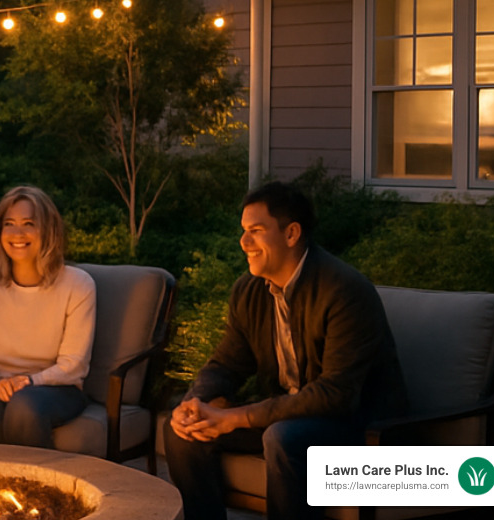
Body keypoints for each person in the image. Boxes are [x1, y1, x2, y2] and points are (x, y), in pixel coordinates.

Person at [164, 181, 407, 520]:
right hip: (287, 415)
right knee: (182, 433)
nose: (244, 241)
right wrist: (194, 404)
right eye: (244, 231)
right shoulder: (249, 291)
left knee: (282, 437)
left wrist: (236, 417)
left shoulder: (344, 292)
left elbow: (335, 395)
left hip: (357, 425)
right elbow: (226, 364)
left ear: (291, 233)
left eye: (256, 231)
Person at [0, 185, 96, 448]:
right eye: (9, 224)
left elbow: (74, 364)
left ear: (49, 230)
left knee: (24, 407)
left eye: (29, 224)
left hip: (55, 387)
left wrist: (30, 381)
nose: (17, 234)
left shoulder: (78, 285)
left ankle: (31, 476)